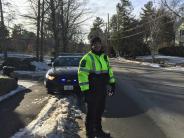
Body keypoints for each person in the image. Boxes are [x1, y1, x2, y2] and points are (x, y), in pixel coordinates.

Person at [78, 37, 116, 138]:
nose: (97, 45)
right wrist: (86, 91)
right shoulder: (87, 58)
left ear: (101, 45)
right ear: (92, 45)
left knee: (99, 112)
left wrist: (112, 84)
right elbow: (82, 75)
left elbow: (109, 71)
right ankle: (90, 134)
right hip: (91, 91)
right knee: (91, 114)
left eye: (99, 43)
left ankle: (99, 131)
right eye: (95, 44)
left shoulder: (104, 57)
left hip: (102, 90)